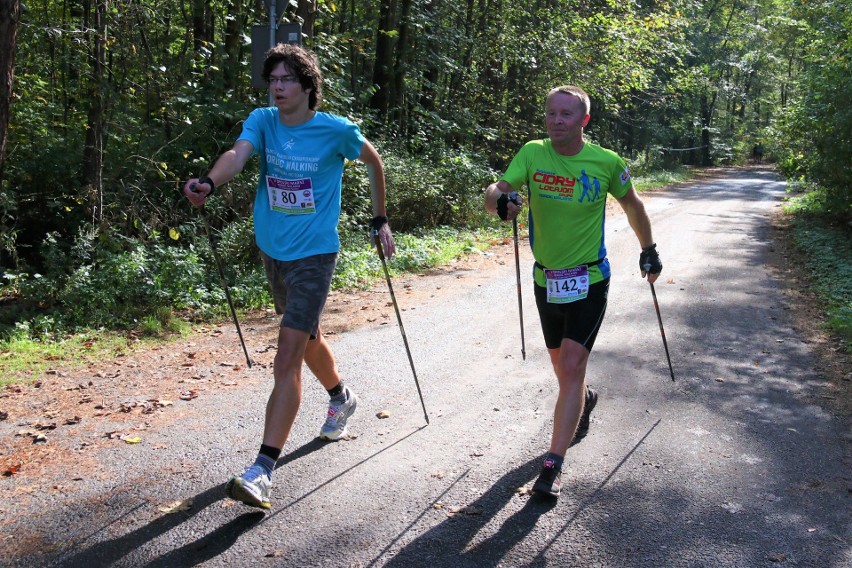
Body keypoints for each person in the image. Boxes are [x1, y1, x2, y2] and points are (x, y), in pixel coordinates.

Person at [183, 43, 395, 510]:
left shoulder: (334, 131)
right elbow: (236, 156)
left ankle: (261, 470)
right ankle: (342, 395)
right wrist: (210, 183)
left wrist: (379, 219)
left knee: (286, 356)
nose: (277, 88)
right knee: (307, 337)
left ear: (306, 86)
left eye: (286, 81)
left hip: (316, 254)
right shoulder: (263, 122)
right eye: (272, 80)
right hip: (274, 250)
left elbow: (374, 161)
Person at [484, 85, 662, 499]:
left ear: (584, 120)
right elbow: (495, 191)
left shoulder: (605, 162)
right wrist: (502, 201)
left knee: (571, 367)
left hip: (589, 280)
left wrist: (648, 250)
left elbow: (633, 205)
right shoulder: (532, 153)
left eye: (566, 114)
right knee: (563, 368)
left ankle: (552, 465)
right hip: (547, 279)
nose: (557, 120)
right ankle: (585, 399)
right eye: (551, 113)